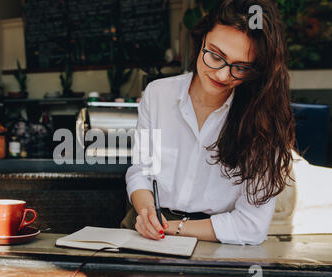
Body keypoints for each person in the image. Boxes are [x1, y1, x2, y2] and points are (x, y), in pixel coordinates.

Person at [121, 0, 295, 245]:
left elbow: (251, 227)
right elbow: (141, 171)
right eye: (215, 55)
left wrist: (171, 229)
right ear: (201, 39)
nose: (223, 75)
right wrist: (147, 212)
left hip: (217, 240)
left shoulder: (262, 119)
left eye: (241, 67)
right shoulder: (158, 94)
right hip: (146, 231)